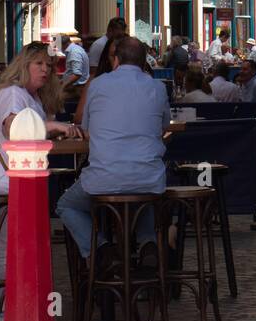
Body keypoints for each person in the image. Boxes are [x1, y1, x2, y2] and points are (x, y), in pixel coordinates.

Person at [56, 37, 170, 266]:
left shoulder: (98, 84)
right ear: (143, 61)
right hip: (149, 179)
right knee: (144, 190)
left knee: (66, 205)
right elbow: (164, 126)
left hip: (104, 179)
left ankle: (101, 248)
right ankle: (148, 243)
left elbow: (86, 127)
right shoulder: (158, 87)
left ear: (115, 60)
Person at [0, 44, 81, 283]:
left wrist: (55, 131)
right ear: (24, 66)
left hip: (19, 185)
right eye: (39, 64)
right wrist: (55, 127)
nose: (45, 69)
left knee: (18, 250)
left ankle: (6, 310)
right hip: (3, 184)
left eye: (49, 65)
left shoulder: (32, 98)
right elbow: (15, 130)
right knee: (7, 251)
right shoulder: (12, 94)